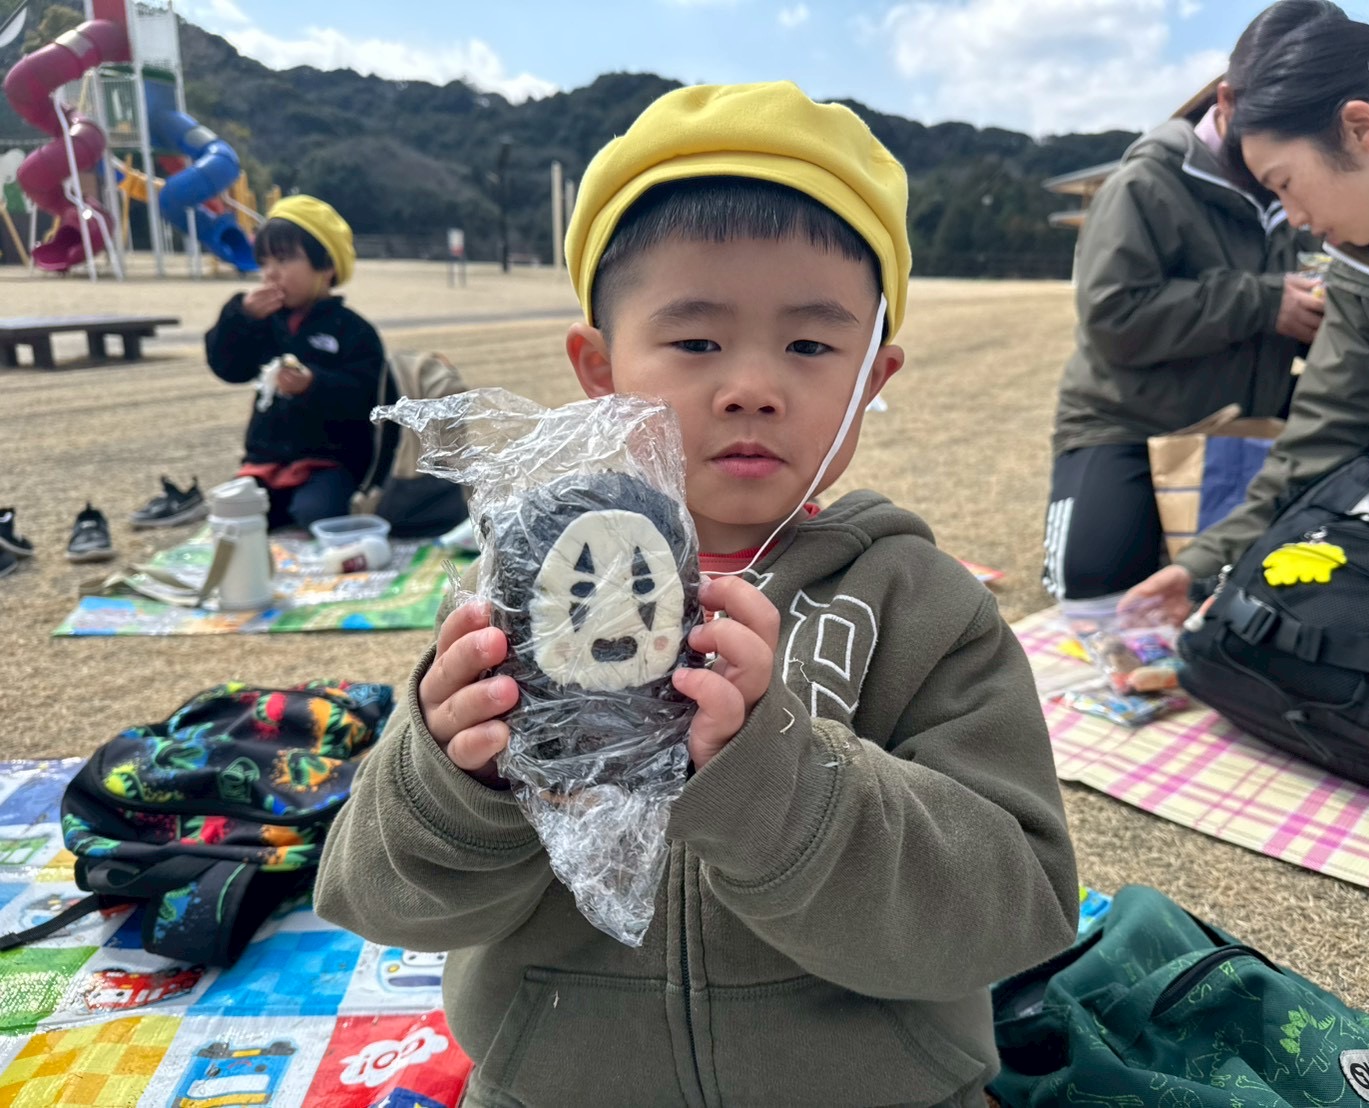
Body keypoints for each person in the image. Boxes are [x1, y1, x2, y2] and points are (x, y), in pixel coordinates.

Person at [315, 81, 1079, 1107]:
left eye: (810, 345)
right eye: (696, 342)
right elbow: (374, 899)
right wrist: (461, 781)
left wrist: (778, 778)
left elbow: (1017, 911)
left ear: (872, 375)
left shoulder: (920, 609)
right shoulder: (528, 598)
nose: (752, 385)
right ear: (599, 366)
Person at [1123, 1, 1369, 625]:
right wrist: (1204, 564)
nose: (1296, 218)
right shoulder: (1367, 269)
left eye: (1285, 183)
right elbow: (1326, 441)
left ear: (1359, 127)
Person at [1044, 64, 1326, 603]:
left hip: (1251, 424)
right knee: (1093, 581)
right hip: (1127, 420)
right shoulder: (1144, 183)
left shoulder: (1301, 194)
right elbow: (1112, 316)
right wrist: (1264, 302)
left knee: (1270, 586)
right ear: (1227, 101)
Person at [202, 195, 392, 531]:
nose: (270, 273)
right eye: (264, 262)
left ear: (326, 266)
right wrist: (240, 317)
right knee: (236, 513)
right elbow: (228, 367)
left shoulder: (352, 330)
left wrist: (313, 385)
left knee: (314, 514)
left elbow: (369, 396)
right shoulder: (264, 321)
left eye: (284, 260)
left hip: (330, 461)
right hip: (265, 460)